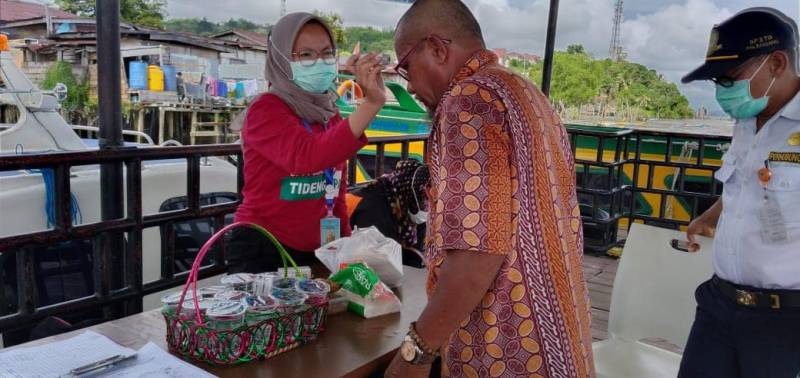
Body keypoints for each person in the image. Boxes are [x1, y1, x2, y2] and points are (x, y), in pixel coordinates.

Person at [385, 1, 594, 376]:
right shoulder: (525, 91)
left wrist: (415, 354)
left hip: (507, 352)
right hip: (561, 339)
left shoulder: (466, 102)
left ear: (437, 49)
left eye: (405, 68)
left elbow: (475, 254)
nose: (410, 85)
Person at [680, 8, 800, 377]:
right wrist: (710, 216)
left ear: (777, 63)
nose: (721, 89)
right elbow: (751, 182)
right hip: (719, 304)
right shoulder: (747, 121)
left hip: (784, 321)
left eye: (730, 77)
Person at [227, 12, 386, 276]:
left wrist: (344, 247)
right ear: (281, 59)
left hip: (319, 249)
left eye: (326, 53)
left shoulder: (329, 114)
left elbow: (336, 188)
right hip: (264, 247)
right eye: (305, 55)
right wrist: (371, 104)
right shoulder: (265, 110)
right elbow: (307, 157)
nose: (319, 62)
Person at [347, 159, 430, 267]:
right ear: (408, 192)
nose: (427, 207)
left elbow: (415, 261)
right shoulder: (375, 207)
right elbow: (375, 261)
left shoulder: (403, 204)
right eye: (423, 200)